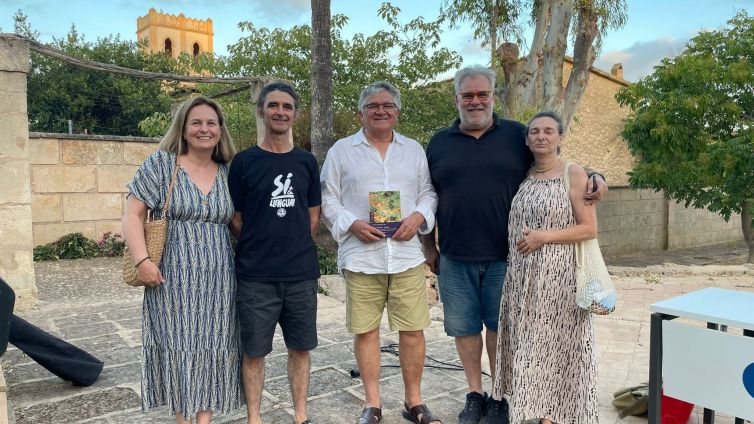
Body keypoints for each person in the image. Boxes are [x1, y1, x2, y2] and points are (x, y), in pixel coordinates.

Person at [421, 66, 607, 424]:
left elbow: (553, 160)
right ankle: (474, 394)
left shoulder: (516, 135)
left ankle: (500, 394)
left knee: (502, 329)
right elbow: (426, 194)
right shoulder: (439, 142)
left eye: (482, 94)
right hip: (455, 256)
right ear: (457, 98)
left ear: (494, 96)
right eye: (468, 95)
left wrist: (597, 176)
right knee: (463, 329)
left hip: (508, 258)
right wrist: (429, 248)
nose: (475, 101)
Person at [321, 81, 440, 424]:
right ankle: (372, 404)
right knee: (366, 330)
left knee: (413, 329)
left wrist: (418, 216)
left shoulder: (414, 150)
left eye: (387, 105)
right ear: (361, 112)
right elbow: (328, 197)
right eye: (372, 105)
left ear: (397, 112)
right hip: (362, 254)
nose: (380, 110)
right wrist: (351, 223)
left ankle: (414, 401)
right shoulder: (342, 151)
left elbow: (428, 193)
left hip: (405, 255)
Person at [122, 96, 242, 423]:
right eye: (197, 123)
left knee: (211, 350)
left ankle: (202, 419)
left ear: (220, 130)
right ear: (184, 129)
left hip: (220, 282)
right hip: (170, 278)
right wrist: (142, 260)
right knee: (178, 349)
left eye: (211, 123)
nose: (205, 129)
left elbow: (241, 225)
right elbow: (133, 213)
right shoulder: (161, 165)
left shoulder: (230, 172)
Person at [489, 111, 599, 424]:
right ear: (526, 140)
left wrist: (544, 237)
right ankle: (533, 408)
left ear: (560, 137)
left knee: (558, 346)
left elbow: (589, 228)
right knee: (532, 345)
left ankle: (555, 415)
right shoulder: (523, 174)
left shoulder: (574, 174)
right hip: (523, 280)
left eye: (549, 131)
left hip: (559, 279)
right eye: (535, 131)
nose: (541, 136)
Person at [228, 82, 320, 424]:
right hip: (255, 276)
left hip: (300, 275)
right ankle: (255, 418)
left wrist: (289, 242)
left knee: (300, 349)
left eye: (287, 106)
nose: (280, 112)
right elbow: (235, 218)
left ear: (295, 114)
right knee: (254, 352)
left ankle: (300, 416)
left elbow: (312, 216)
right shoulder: (243, 162)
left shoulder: (307, 162)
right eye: (273, 105)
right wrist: (261, 240)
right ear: (261, 111)